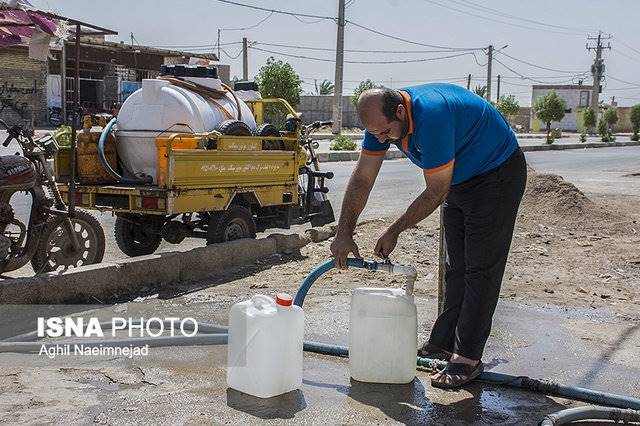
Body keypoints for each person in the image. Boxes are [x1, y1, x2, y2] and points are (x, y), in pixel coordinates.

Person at [330, 83, 527, 389]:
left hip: (496, 175)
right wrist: (344, 233)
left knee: (480, 269)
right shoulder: (380, 123)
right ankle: (443, 343)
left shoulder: (431, 115)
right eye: (376, 134)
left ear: (400, 111)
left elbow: (436, 192)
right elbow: (363, 178)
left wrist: (394, 230)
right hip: (460, 177)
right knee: (455, 267)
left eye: (385, 133)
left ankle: (467, 359)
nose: (381, 139)